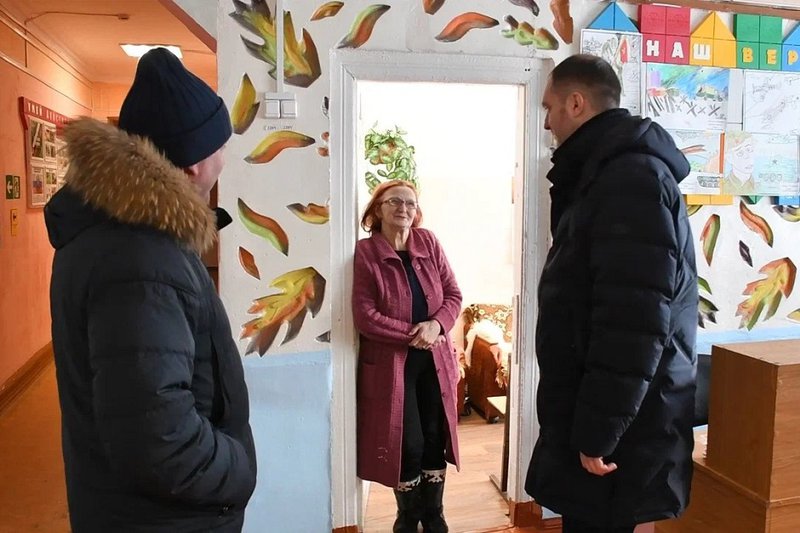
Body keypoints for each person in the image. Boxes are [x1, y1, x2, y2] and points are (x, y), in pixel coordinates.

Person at [44, 48, 256, 532]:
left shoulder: (123, 234)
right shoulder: (141, 261)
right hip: (163, 519)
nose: (225, 157)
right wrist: (238, 468)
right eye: (222, 143)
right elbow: (159, 441)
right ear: (194, 164)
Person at [525, 54, 698, 533]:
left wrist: (600, 430)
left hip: (622, 426)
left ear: (576, 104)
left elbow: (633, 321)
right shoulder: (606, 172)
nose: (547, 122)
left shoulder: (630, 178)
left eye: (549, 107)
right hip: (611, 412)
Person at [352, 180, 462, 533]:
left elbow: (453, 295)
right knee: (407, 443)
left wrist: (436, 326)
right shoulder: (366, 252)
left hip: (436, 360)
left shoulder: (428, 242)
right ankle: (408, 517)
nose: (403, 208)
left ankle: (434, 515)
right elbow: (365, 316)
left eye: (410, 203)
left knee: (434, 437)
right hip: (393, 367)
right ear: (377, 209)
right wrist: (415, 334)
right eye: (394, 201)